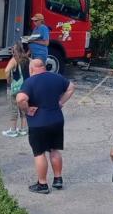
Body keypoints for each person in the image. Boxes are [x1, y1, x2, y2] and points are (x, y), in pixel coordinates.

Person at [16, 59, 75, 194]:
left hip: (38, 123)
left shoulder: (30, 82)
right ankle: (58, 179)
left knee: (39, 153)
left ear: (31, 69)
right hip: (56, 120)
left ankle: (42, 184)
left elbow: (20, 99)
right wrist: (61, 102)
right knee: (54, 150)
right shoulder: (56, 77)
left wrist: (27, 109)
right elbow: (71, 87)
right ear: (44, 66)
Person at [2, 44, 30, 138]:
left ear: (14, 51)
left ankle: (13, 130)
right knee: (23, 109)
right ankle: (23, 129)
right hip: (25, 88)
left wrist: (8, 80)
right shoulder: (28, 60)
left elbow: (6, 70)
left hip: (15, 88)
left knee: (14, 109)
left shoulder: (14, 60)